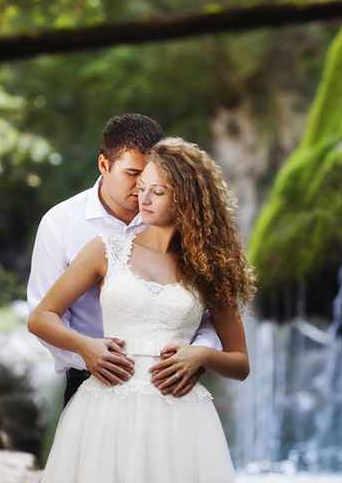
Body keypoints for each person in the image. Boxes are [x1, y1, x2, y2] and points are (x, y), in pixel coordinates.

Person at [29, 137, 254, 482]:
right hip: (105, 408)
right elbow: (40, 317)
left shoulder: (210, 268)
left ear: (186, 200)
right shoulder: (105, 249)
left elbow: (240, 363)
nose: (142, 198)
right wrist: (85, 345)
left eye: (157, 192)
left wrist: (202, 356)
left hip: (180, 416)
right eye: (142, 187)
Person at [26, 114, 221, 405]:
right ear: (104, 165)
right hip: (89, 382)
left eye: (151, 177)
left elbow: (206, 310)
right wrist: (85, 352)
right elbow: (42, 313)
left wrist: (199, 355)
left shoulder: (175, 221)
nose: (141, 187)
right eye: (132, 173)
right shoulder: (60, 223)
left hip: (171, 385)